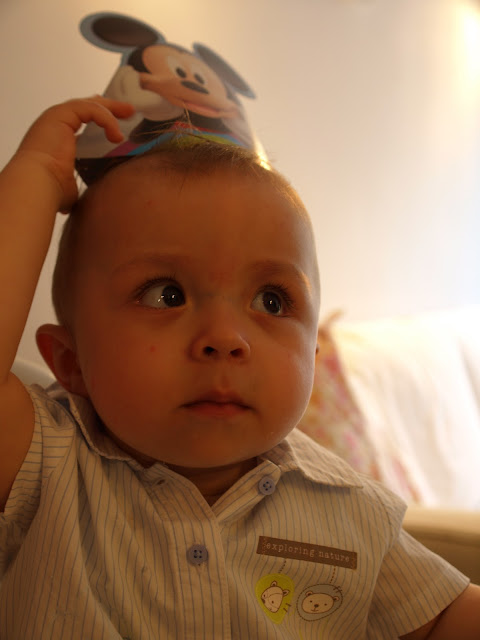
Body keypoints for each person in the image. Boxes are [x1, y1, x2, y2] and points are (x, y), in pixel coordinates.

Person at [0, 97, 478, 640]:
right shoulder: (42, 466)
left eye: (271, 301)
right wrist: (37, 175)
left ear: (310, 357)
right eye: (165, 294)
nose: (226, 338)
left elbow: (442, 621)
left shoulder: (351, 509)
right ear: (70, 363)